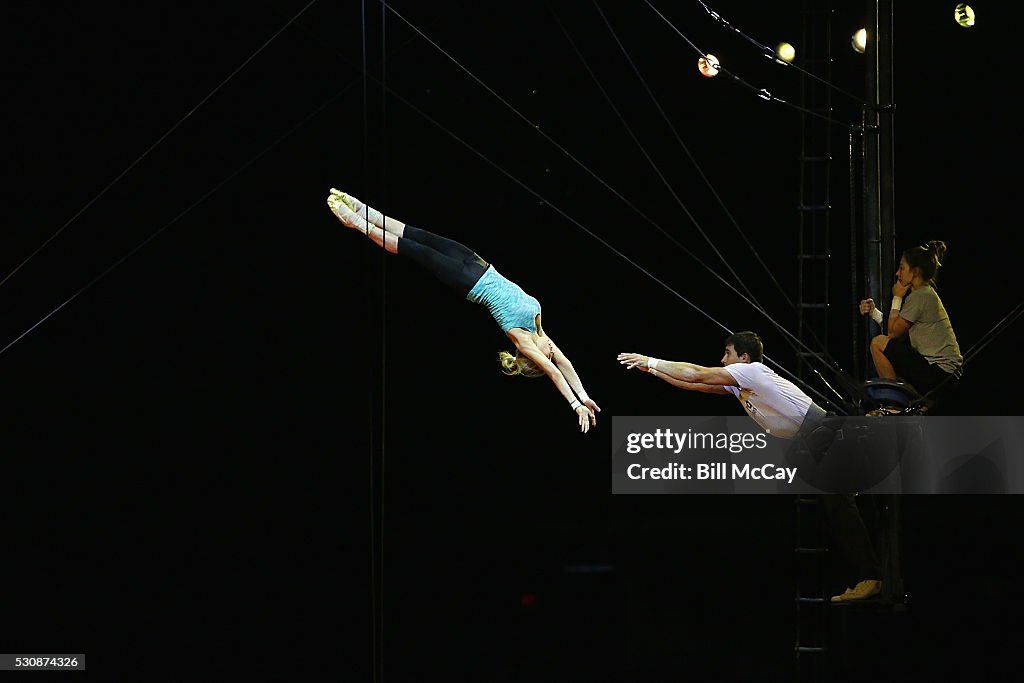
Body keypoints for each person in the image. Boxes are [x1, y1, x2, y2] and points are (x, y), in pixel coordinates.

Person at [618, 331, 883, 602]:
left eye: (728, 354)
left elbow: (696, 373)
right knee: (835, 511)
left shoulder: (753, 372)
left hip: (827, 435)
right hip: (817, 442)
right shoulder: (741, 383)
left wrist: (651, 359)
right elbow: (693, 385)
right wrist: (650, 369)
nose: (722, 360)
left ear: (744, 358)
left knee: (840, 509)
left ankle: (872, 577)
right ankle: (868, 576)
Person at [327, 188, 600, 433]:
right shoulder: (543, 336)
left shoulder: (525, 341)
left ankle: (356, 222)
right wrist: (585, 395)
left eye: (547, 358)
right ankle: (363, 209)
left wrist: (576, 406)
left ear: (534, 360)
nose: (554, 354)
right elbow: (566, 366)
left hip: (466, 280)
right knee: (417, 233)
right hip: (478, 263)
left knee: (412, 248)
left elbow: (554, 372)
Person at [859, 240, 962, 402]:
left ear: (914, 272)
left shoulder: (920, 296)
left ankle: (894, 403)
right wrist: (874, 313)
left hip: (940, 375)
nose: (897, 274)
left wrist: (897, 297)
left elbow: (892, 333)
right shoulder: (923, 294)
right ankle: (913, 405)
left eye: (902, 268)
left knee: (878, 343)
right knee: (894, 358)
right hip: (942, 374)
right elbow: (897, 331)